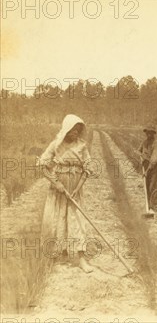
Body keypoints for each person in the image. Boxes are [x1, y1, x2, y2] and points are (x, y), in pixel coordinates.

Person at [38, 114, 94, 273]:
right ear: (66, 129)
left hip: (75, 190)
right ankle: (58, 257)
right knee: (59, 220)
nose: (75, 133)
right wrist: (57, 184)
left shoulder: (82, 146)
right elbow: (42, 165)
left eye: (78, 130)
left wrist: (77, 188)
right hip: (59, 191)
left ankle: (81, 259)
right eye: (72, 130)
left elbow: (88, 168)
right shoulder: (56, 145)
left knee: (78, 221)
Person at [139, 124, 157, 215]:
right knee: (146, 186)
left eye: (151, 133)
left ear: (153, 134)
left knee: (152, 186)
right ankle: (148, 206)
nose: (149, 135)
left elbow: (154, 159)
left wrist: (147, 171)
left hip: (153, 167)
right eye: (147, 133)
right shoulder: (144, 142)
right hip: (146, 165)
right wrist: (141, 156)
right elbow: (138, 150)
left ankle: (154, 206)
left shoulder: (155, 144)